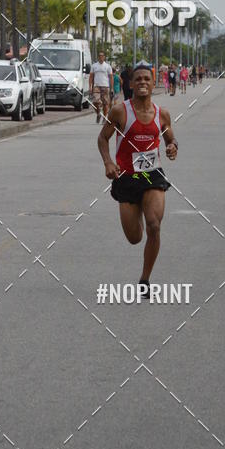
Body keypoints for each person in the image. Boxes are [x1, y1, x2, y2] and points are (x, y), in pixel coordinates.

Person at [97, 60, 178, 292]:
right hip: (126, 179)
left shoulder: (162, 114)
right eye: (138, 79)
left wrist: (173, 147)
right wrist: (108, 162)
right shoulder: (120, 111)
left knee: (154, 226)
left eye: (147, 79)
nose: (142, 82)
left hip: (153, 176)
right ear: (131, 84)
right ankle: (139, 208)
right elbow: (102, 138)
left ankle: (144, 280)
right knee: (134, 237)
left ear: (154, 84)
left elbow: (170, 139)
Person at [90, 51, 113, 124]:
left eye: (102, 56)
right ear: (98, 57)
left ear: (104, 57)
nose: (101, 57)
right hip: (96, 86)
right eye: (99, 56)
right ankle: (98, 114)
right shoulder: (94, 66)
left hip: (105, 86)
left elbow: (111, 77)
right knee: (95, 102)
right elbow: (91, 77)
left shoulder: (107, 66)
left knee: (105, 103)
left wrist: (111, 88)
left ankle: (105, 117)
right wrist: (90, 87)